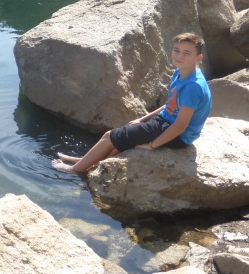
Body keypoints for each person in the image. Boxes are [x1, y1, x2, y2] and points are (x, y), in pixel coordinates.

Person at [52, 32, 211, 174]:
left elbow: (180, 126)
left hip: (179, 135)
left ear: (198, 58)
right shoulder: (181, 72)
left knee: (109, 136)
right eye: (176, 50)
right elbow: (172, 104)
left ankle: (74, 170)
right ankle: (84, 162)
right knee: (123, 135)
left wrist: (152, 145)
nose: (179, 56)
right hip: (166, 121)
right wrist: (143, 119)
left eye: (186, 53)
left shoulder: (193, 86)